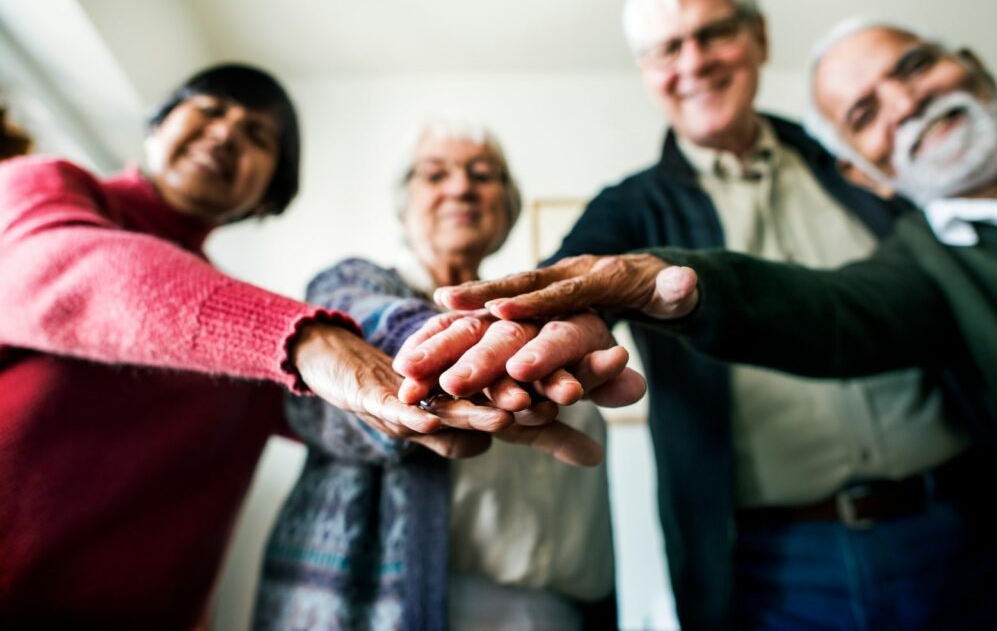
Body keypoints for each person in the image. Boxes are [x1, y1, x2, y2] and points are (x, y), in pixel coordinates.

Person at [402, 0, 976, 629]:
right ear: (647, 72)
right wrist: (534, 333)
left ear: (758, 37)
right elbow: (576, 278)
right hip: (779, 563)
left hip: (968, 518)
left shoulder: (857, 160)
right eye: (668, 49)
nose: (694, 63)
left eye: (714, 34)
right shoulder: (630, 206)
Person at [0, 65, 616, 629]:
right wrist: (319, 344)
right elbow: (81, 276)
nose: (226, 134)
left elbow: (321, 414)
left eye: (259, 136)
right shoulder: (41, 191)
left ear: (272, 189)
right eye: (209, 109)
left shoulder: (541, 324)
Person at [255, 118, 629, 631]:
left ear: (507, 204)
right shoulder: (353, 283)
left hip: (558, 611)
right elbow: (340, 325)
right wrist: (453, 342)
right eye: (435, 175)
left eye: (482, 174)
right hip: (390, 611)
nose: (461, 187)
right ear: (404, 204)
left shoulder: (546, 319)